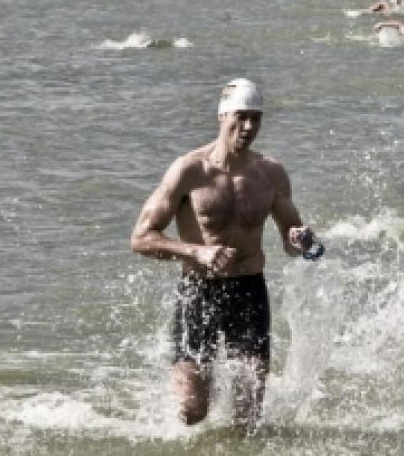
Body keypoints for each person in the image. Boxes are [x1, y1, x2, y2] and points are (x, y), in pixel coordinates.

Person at [130, 79, 315, 429]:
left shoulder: (271, 174)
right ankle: (203, 389)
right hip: (199, 291)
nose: (248, 127)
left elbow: (294, 242)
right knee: (191, 412)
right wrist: (195, 252)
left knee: (248, 419)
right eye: (241, 117)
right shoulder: (189, 170)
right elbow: (140, 238)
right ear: (222, 116)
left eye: (256, 119)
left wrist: (302, 241)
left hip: (249, 292)